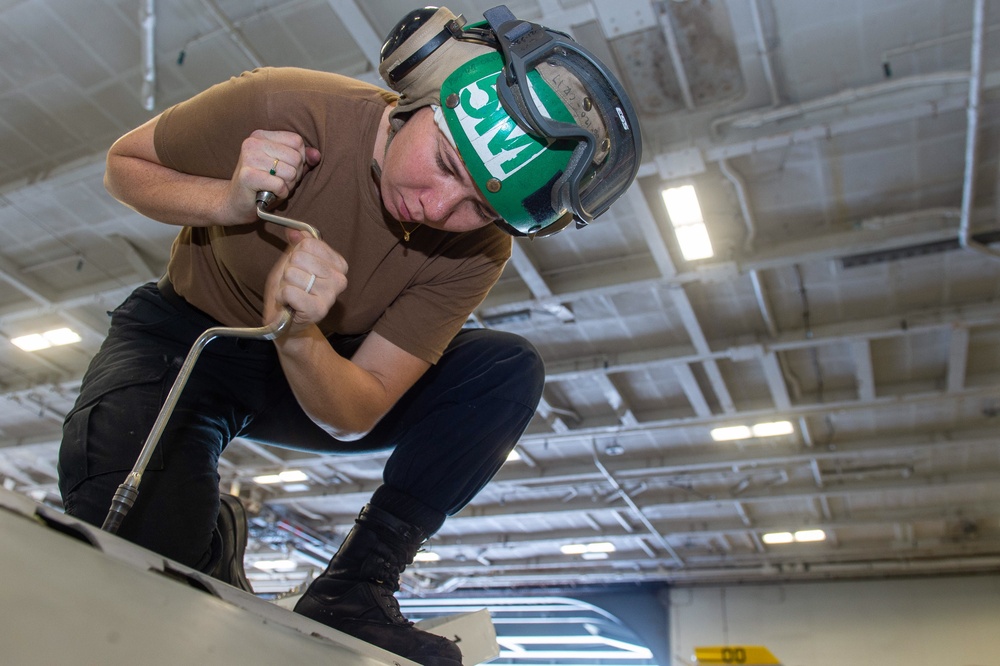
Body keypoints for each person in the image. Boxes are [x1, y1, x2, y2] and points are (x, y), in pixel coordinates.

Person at [57, 5, 640, 665]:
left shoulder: (479, 252)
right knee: (128, 532)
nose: (441, 208)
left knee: (504, 372)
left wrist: (301, 334)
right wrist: (229, 202)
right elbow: (124, 165)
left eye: (482, 204)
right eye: (447, 163)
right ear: (423, 95)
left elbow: (355, 410)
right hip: (189, 336)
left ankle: (356, 587)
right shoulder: (288, 105)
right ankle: (212, 536)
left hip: (315, 366)